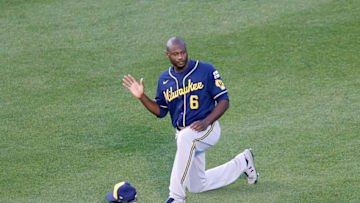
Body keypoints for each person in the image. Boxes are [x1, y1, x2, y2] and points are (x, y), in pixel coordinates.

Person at [122, 37, 258, 203]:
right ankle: (243, 162)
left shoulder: (205, 70)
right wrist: (142, 97)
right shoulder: (165, 79)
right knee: (197, 185)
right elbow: (160, 111)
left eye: (183, 52)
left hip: (208, 129)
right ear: (168, 55)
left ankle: (176, 197)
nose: (180, 57)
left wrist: (207, 121)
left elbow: (224, 101)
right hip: (184, 135)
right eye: (175, 54)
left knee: (187, 137)